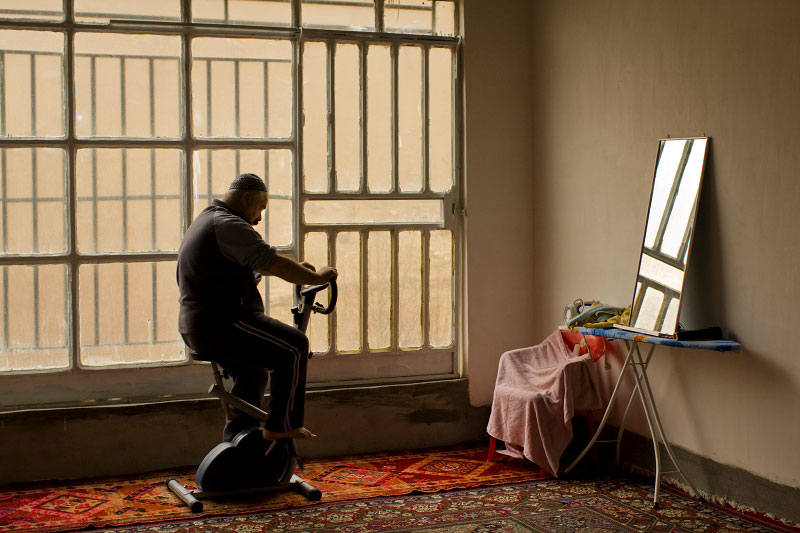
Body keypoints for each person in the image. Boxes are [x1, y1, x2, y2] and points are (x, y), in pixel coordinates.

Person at [177, 173, 337, 443]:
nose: (259, 218)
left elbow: (253, 263)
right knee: (295, 346)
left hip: (202, 324)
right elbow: (270, 260)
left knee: (254, 372)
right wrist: (317, 278)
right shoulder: (228, 224)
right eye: (260, 208)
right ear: (247, 198)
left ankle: (240, 442)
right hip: (223, 320)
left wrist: (298, 270)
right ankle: (281, 424)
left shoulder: (209, 219)